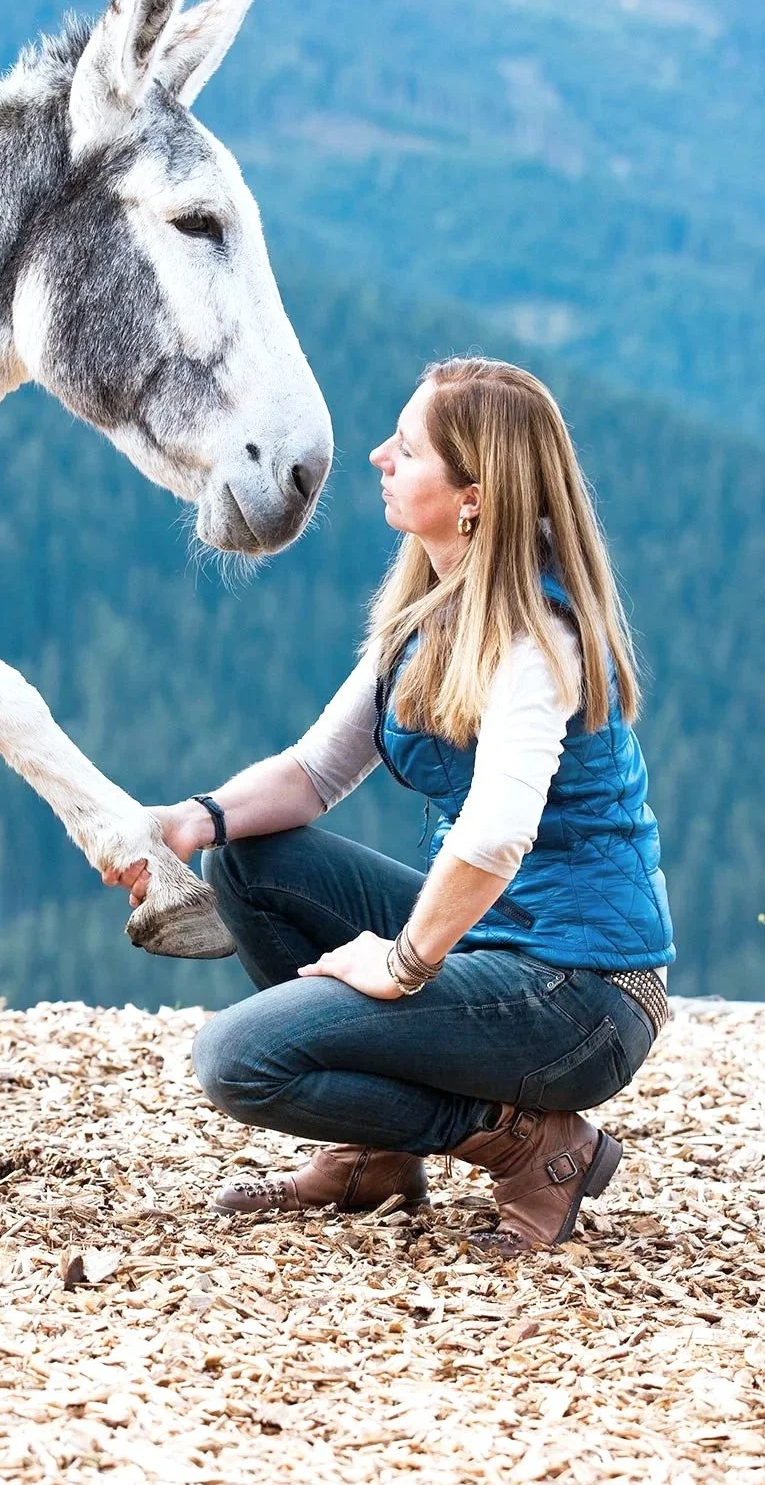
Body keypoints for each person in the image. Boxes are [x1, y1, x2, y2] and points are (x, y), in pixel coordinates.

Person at [108, 357, 673, 1256]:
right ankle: (374, 1156)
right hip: (497, 944)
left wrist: (404, 963)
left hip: (583, 993)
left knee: (238, 1062)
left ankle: (534, 1145)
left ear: (472, 496)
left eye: (405, 450)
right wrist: (183, 821)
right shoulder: (427, 611)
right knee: (250, 861)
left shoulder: (536, 636)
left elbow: (494, 836)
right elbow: (310, 775)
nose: (376, 456)